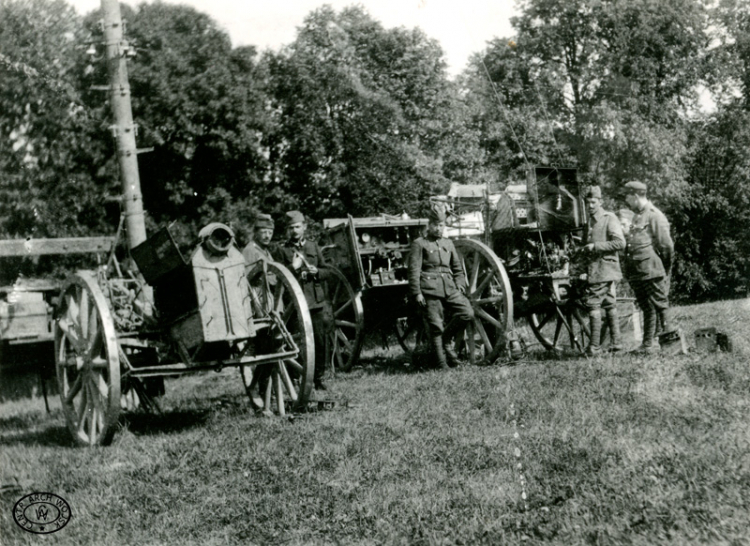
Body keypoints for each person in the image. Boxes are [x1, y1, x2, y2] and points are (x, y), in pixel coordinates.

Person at [408, 204, 474, 369]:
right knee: (436, 327)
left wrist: (459, 284)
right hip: (429, 290)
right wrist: (417, 293)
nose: (439, 229)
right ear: (429, 225)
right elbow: (414, 270)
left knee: (467, 313)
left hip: (449, 288)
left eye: (441, 225)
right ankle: (442, 365)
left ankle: (445, 340)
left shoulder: (448, 243)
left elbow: (458, 269)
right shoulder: (419, 244)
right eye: (436, 225)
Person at [273, 210, 333, 391]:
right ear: (287, 230)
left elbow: (327, 271)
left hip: (315, 302)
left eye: (297, 227)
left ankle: (318, 378)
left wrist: (318, 272)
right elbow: (278, 278)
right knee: (297, 343)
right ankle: (296, 378)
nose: (294, 231)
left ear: (304, 227)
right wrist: (293, 267)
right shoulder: (281, 250)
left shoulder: (313, 247)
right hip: (294, 304)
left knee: (320, 342)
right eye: (291, 228)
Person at [622, 181, 675, 353]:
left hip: (651, 269)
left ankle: (671, 346)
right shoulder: (637, 216)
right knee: (647, 307)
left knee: (661, 305)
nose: (626, 200)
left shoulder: (654, 215)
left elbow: (666, 246)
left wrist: (664, 270)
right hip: (638, 271)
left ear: (636, 196)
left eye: (627, 196)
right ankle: (647, 345)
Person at [580, 185, 626, 355]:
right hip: (597, 270)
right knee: (609, 303)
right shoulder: (589, 221)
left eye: (593, 202)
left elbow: (620, 243)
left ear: (601, 201)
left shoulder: (609, 218)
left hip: (604, 268)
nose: (590, 206)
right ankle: (617, 344)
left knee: (593, 304)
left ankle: (594, 347)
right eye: (588, 202)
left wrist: (596, 246)